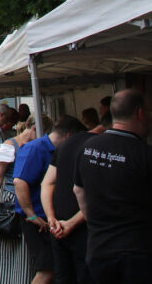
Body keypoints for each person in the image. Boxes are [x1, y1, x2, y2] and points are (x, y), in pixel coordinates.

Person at [74, 89, 152, 283]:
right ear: (140, 113)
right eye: (150, 112)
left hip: (99, 250)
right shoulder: (149, 156)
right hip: (140, 254)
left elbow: (79, 191)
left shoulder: (87, 149)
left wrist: (98, 226)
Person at [12, 116, 87, 284]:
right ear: (69, 136)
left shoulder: (53, 150)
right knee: (47, 270)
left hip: (49, 218)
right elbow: (19, 182)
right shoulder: (35, 148)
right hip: (37, 219)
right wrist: (31, 215)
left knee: (55, 268)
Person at [0, 112, 38, 284]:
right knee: (9, 243)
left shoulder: (33, 144)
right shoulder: (10, 145)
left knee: (26, 248)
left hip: (30, 199)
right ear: (34, 128)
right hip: (9, 199)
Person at [40, 120, 96, 284]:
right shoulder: (97, 148)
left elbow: (47, 183)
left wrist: (51, 218)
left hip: (58, 225)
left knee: (63, 276)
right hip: (82, 228)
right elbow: (96, 196)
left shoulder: (63, 146)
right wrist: (71, 223)